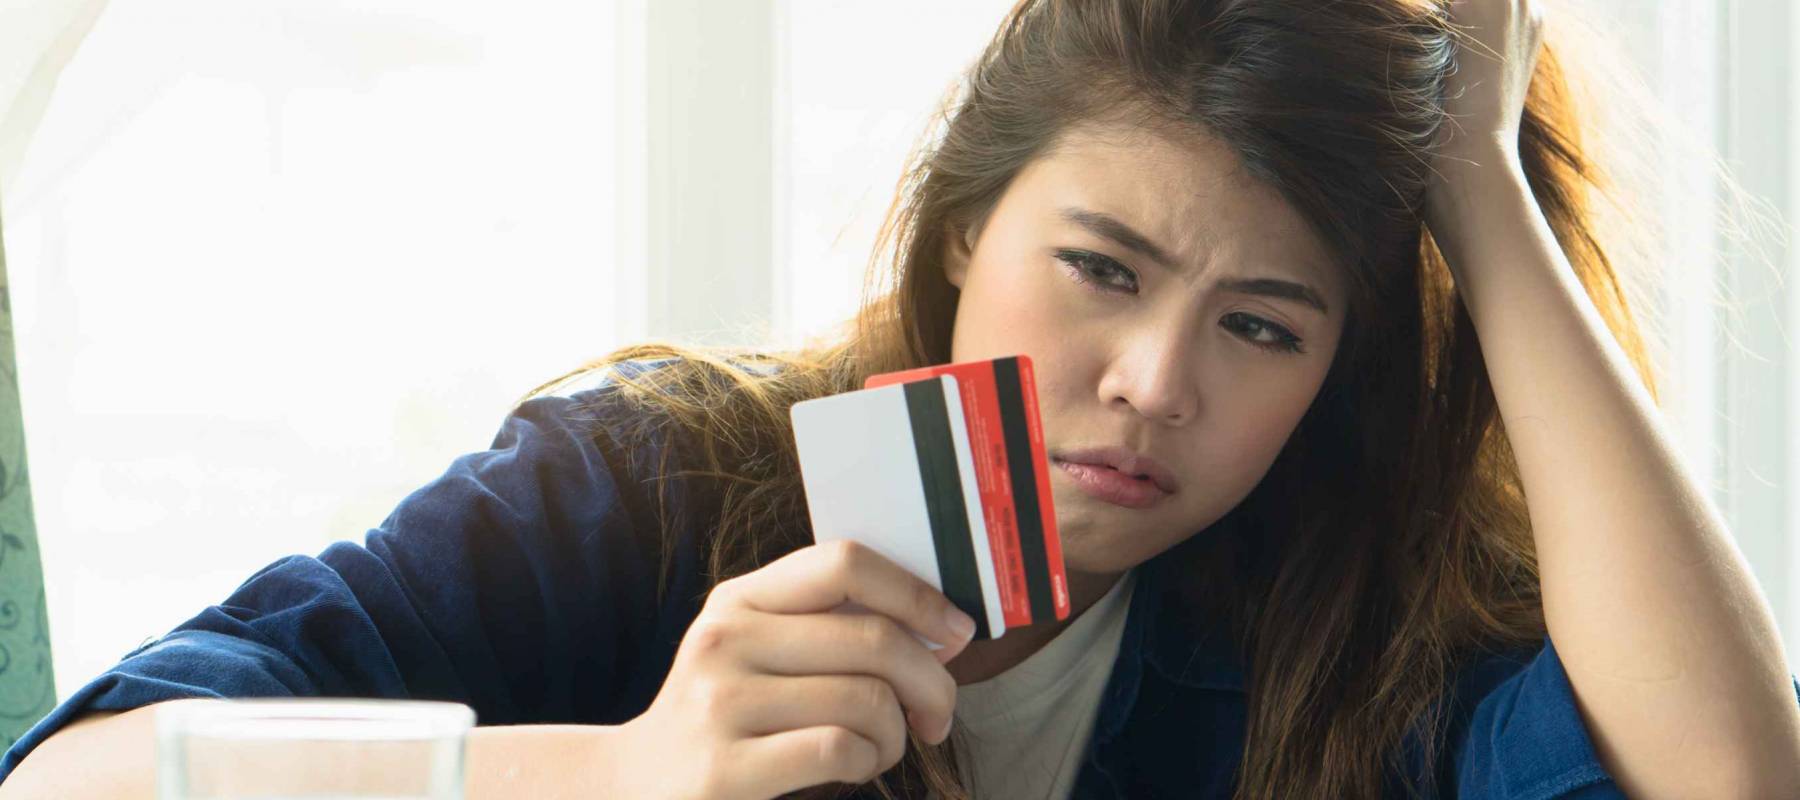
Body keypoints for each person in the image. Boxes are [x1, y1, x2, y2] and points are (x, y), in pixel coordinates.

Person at [5, 0, 1799, 797]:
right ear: (957, 241)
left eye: (1264, 328)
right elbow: (80, 783)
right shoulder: (652, 482)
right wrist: (624, 778)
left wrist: (1474, 174)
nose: (1153, 384)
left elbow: (1728, 780)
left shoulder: (1336, 620)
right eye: (1100, 270)